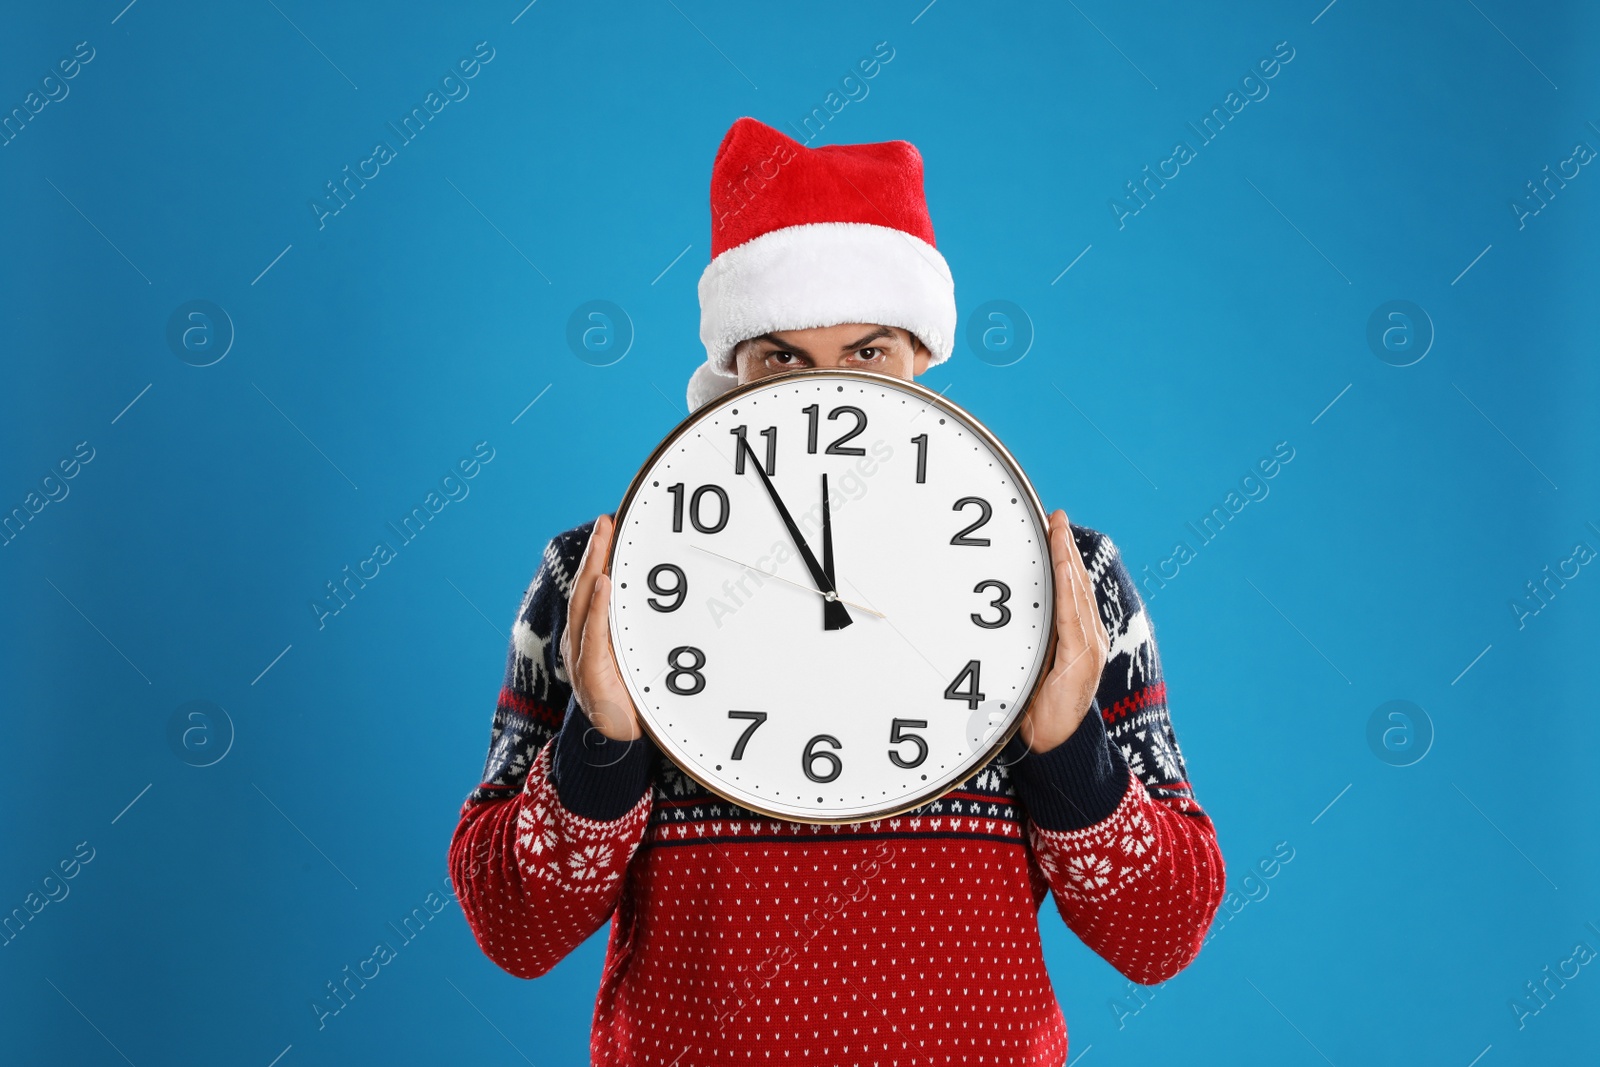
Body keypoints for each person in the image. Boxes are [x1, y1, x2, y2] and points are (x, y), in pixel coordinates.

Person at [448, 117, 1225, 1066]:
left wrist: (1068, 749)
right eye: (781, 359)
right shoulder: (598, 575)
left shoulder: (1061, 582)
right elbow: (514, 930)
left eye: (867, 354)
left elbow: (1162, 935)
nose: (825, 401)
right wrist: (602, 741)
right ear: (729, 368)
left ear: (922, 363)